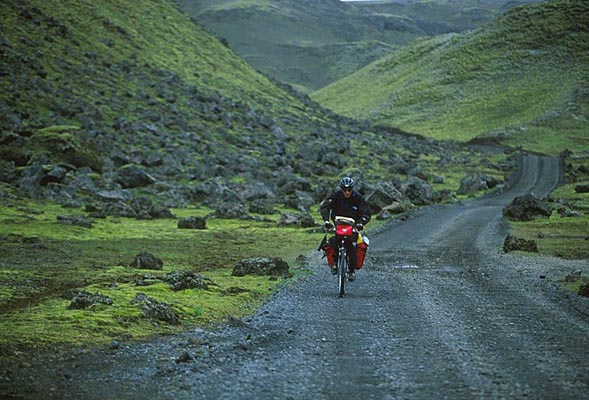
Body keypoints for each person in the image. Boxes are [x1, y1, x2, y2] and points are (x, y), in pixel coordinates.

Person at [320, 177, 371, 281]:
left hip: (352, 224)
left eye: (349, 190)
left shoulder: (357, 197)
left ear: (352, 189)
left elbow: (366, 211)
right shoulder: (335, 195)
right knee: (334, 241)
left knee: (352, 245)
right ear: (341, 189)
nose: (347, 192)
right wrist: (326, 221)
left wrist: (361, 223)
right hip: (338, 223)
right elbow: (325, 207)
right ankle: (334, 262)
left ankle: (351, 270)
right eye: (344, 190)